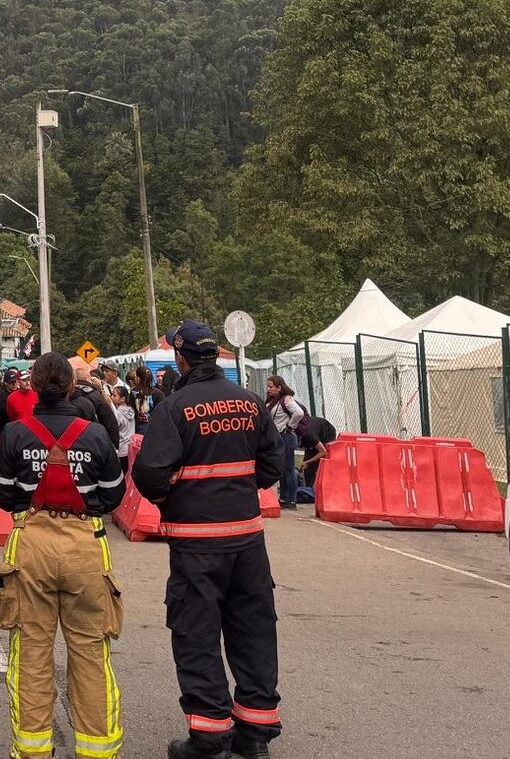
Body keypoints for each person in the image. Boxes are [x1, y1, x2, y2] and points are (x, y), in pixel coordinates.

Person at [134, 321, 284, 759]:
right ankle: (255, 735)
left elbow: (149, 474)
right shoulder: (252, 403)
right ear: (217, 355)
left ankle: (209, 737)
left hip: (196, 541)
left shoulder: (175, 407)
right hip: (247, 539)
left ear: (180, 358)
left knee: (197, 634)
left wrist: (173, 499)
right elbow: (272, 468)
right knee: (253, 630)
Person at [0, 352, 128, 759]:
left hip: (30, 542)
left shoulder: (15, 434)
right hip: (86, 544)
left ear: (32, 384)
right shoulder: (96, 434)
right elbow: (113, 493)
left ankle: (33, 750)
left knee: (31, 650)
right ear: (71, 386)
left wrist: (28, 503)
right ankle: (97, 750)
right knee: (90, 652)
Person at [262, 377, 308, 511]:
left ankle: (291, 499)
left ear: (279, 387)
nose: (269, 389)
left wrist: (290, 426)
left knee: (288, 468)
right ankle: (283, 497)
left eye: (271, 387)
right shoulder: (271, 401)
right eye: (268, 387)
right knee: (281, 469)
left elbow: (299, 413)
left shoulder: (286, 399)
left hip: (286, 436)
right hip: (278, 436)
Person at [70, 357, 123, 446]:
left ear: (115, 373)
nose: (104, 373)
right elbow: (110, 422)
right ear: (88, 378)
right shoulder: (97, 396)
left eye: (107, 371)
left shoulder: (67, 397)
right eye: (104, 371)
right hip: (96, 442)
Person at [0, 368, 39, 435]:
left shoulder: (37, 394)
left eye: (29, 380)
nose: (28, 383)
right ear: (18, 381)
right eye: (24, 380)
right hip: (19, 432)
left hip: (35, 432)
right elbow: (11, 416)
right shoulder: (11, 398)